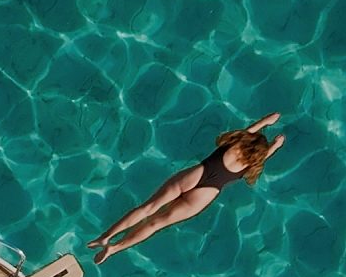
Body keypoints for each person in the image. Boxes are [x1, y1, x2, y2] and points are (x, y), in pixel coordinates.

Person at [85, 111, 288, 263]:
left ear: (247, 140)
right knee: (155, 224)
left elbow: (250, 130)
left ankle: (106, 237)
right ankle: (114, 249)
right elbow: (263, 157)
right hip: (206, 194)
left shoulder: (234, 144)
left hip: (197, 175)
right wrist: (275, 147)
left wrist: (266, 121)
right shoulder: (249, 166)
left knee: (148, 208)